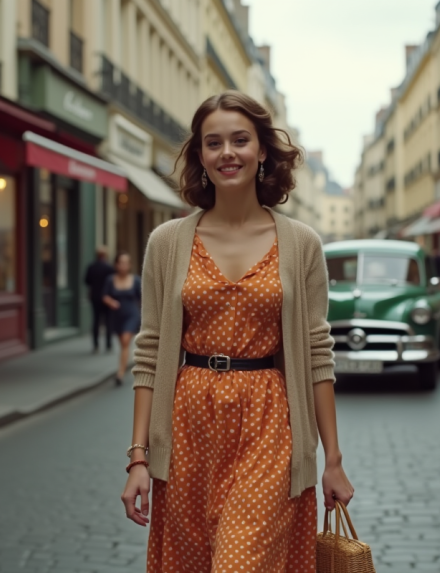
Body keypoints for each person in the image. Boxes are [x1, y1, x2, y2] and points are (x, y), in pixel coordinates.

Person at [120, 91, 353, 572]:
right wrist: (139, 458)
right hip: (188, 426)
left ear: (263, 150)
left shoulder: (301, 243)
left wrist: (332, 458)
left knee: (240, 563)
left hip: (270, 420)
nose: (227, 152)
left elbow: (316, 353)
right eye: (213, 143)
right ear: (201, 156)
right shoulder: (167, 243)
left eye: (240, 140)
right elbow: (150, 351)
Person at [103, 252, 142, 386]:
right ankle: (125, 362)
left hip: (132, 314)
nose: (123, 266)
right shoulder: (110, 280)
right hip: (116, 316)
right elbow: (104, 296)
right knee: (123, 344)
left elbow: (143, 298)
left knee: (126, 341)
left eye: (126, 263)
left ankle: (120, 373)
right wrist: (111, 302)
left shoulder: (136, 280)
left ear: (130, 265)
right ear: (116, 265)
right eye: (121, 263)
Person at [84, 246, 114, 354]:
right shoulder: (109, 268)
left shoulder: (91, 267)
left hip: (95, 297)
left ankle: (96, 345)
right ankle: (108, 345)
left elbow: (86, 281)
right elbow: (113, 283)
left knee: (96, 321)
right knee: (108, 321)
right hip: (107, 297)